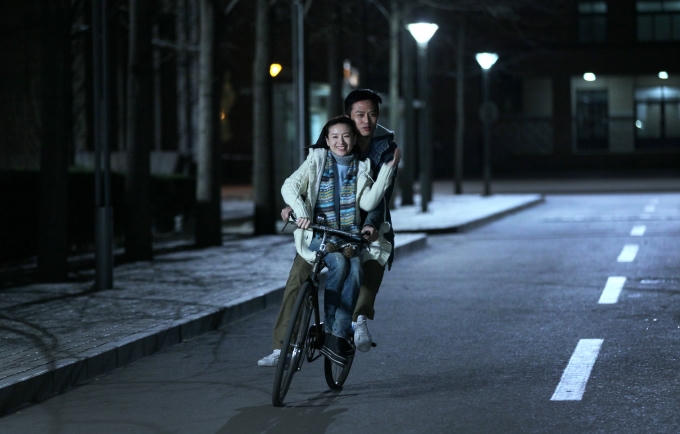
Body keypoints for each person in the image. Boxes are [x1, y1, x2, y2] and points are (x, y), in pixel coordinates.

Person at [258, 89, 399, 366]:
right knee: (298, 277)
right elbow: (306, 181)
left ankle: (355, 322)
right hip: (322, 229)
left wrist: (370, 225)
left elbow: (380, 199)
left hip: (361, 227)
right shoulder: (328, 146)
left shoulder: (385, 149)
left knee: (370, 264)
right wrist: (293, 208)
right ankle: (282, 346)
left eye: (372, 114)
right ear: (347, 117)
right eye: (360, 115)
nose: (367, 120)